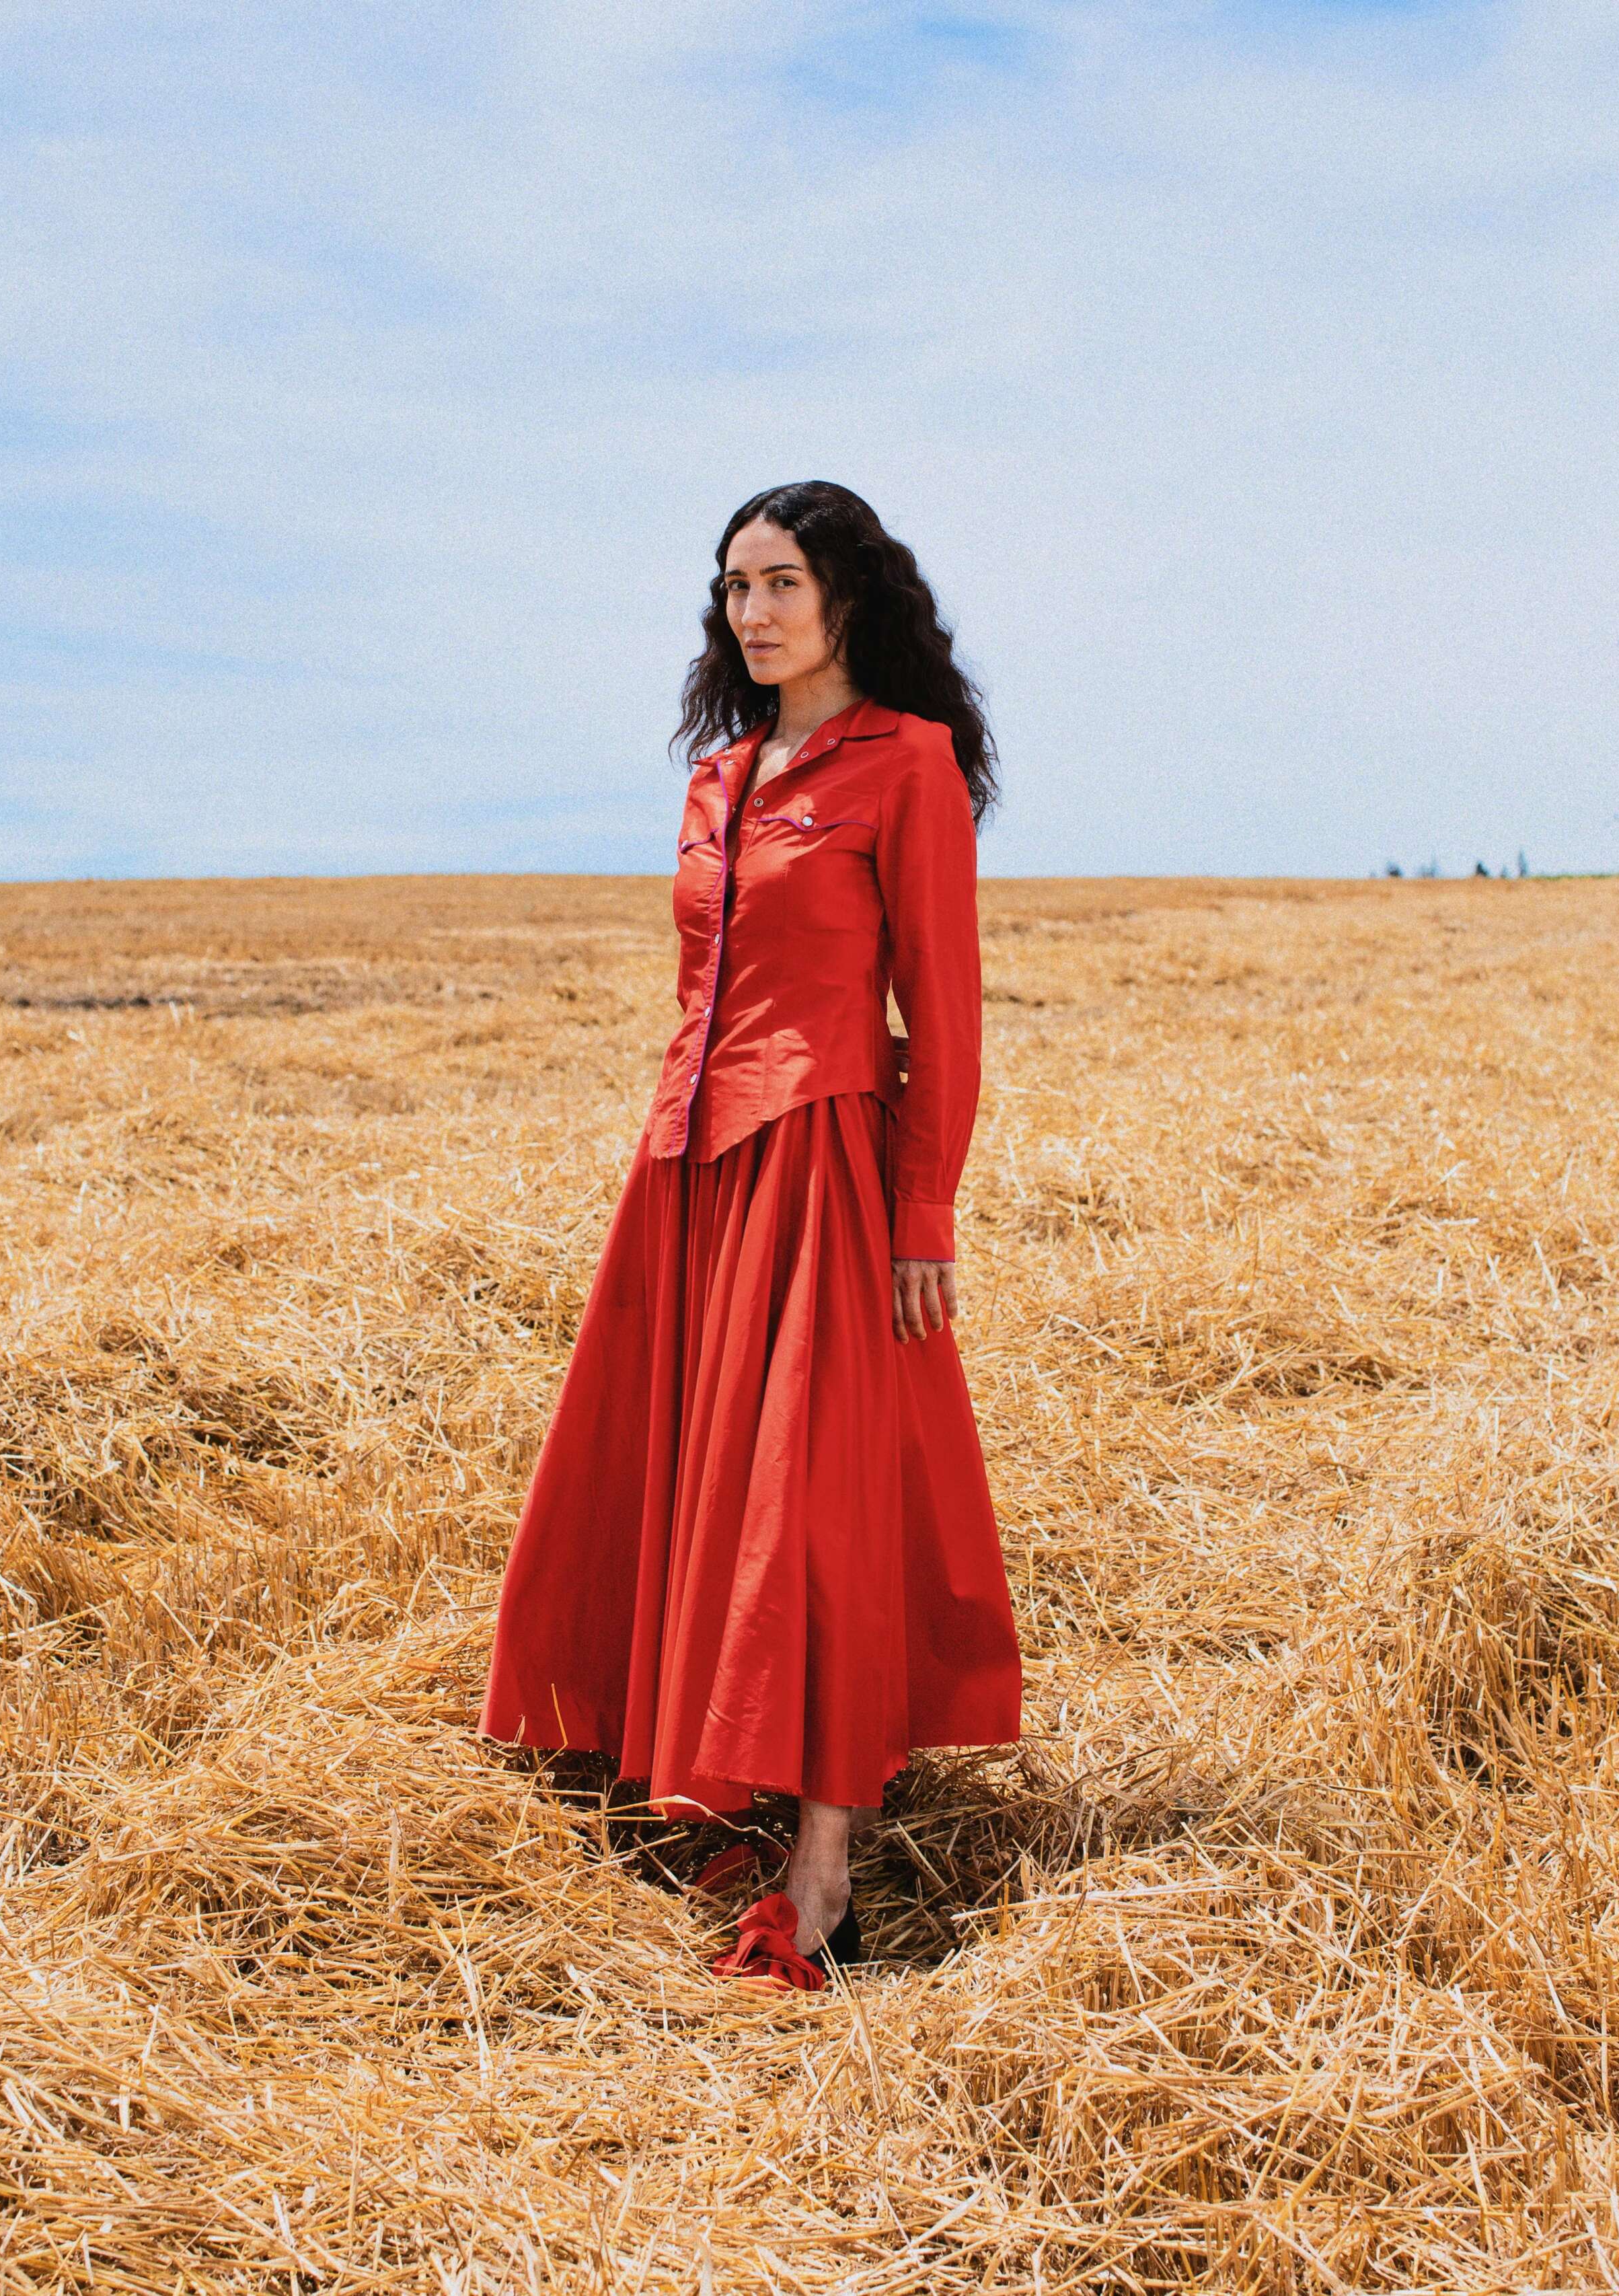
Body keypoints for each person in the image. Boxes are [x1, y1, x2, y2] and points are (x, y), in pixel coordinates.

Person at [480, 480, 1022, 1990]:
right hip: (692, 1171)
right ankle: (695, 1775)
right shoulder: (717, 777)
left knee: (814, 1493)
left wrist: (924, 1211)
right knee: (676, 1473)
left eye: (780, 581)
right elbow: (694, 995)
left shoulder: (904, 767)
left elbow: (947, 1015)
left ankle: (827, 1865)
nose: (753, 613)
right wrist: (669, 1148)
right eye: (733, 588)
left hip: (827, 1163)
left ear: (848, 597)